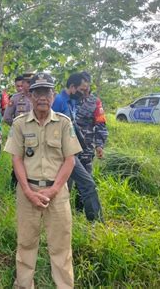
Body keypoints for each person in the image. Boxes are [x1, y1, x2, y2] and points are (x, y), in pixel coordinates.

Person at [4, 72, 82, 288]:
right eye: (37, 92)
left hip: (57, 195)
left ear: (53, 94)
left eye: (46, 92)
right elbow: (16, 159)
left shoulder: (64, 123)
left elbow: (70, 161)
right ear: (30, 95)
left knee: (61, 247)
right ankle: (23, 284)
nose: (42, 97)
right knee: (26, 243)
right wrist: (29, 191)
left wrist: (54, 190)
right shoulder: (20, 124)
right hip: (27, 192)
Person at [52, 72, 103, 221]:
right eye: (82, 90)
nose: (84, 93)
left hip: (71, 151)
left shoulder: (72, 101)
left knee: (68, 186)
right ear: (72, 87)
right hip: (62, 152)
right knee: (87, 184)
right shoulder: (59, 101)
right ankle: (96, 222)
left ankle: (66, 218)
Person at [4, 72, 34, 189]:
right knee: (18, 161)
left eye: (31, 82)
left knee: (33, 161)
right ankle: (14, 187)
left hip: (36, 135)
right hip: (20, 135)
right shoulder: (16, 98)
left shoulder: (39, 98)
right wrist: (18, 126)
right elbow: (6, 117)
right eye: (27, 82)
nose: (29, 85)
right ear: (23, 83)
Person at [76, 72, 108, 174]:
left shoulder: (95, 102)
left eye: (86, 84)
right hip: (69, 146)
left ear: (89, 84)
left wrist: (99, 145)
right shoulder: (71, 99)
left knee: (86, 180)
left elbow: (101, 125)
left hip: (86, 146)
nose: (84, 87)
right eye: (81, 84)